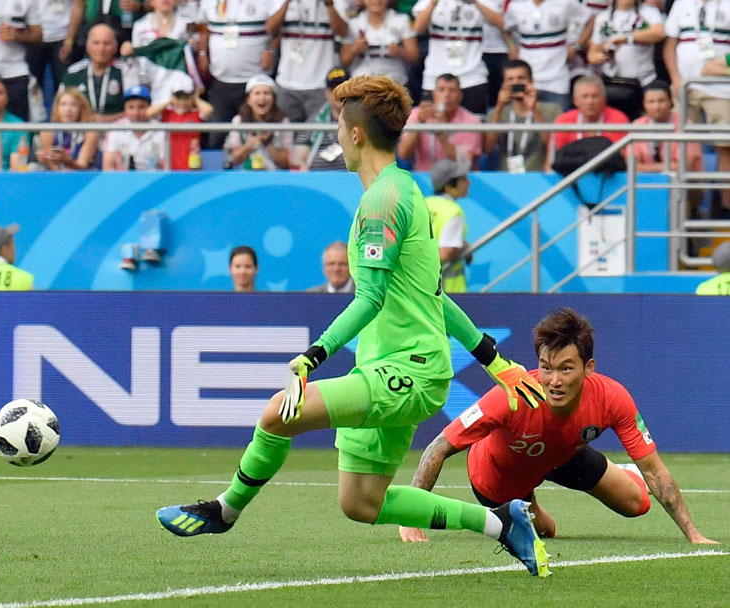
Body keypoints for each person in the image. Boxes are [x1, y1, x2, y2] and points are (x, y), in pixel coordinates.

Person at [156, 75, 551, 579]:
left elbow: (369, 298)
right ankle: (503, 524)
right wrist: (494, 359)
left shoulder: (382, 202)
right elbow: (433, 293)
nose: (337, 137)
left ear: (357, 135)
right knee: (361, 503)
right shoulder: (404, 188)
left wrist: (311, 356)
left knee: (279, 413)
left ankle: (223, 510)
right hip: (397, 365)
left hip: (407, 369)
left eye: (340, 127)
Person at [398, 308, 717, 545]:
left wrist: (694, 535)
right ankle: (529, 506)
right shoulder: (512, 396)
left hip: (561, 454)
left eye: (566, 369)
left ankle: (622, 474)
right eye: (546, 368)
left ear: (588, 368)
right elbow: (438, 447)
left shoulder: (613, 398)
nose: (554, 381)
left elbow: (655, 470)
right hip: (498, 476)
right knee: (546, 532)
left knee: (638, 504)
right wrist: (411, 518)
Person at [665, 0, 730, 220]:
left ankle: (725, 210)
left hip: (721, 88)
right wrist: (675, 78)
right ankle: (688, 206)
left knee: (726, 148)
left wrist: (724, 65)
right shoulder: (682, 3)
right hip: (686, 86)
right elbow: (669, 45)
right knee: (682, 147)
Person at [195, 0, 276, 148]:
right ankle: (214, 171)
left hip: (255, 83)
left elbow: (279, 28)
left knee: (255, 137)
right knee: (216, 137)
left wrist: (271, 50)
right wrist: (202, 52)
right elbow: (203, 27)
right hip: (221, 81)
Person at [412, 0, 503, 116]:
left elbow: (500, 22)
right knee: (433, 125)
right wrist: (433, 3)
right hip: (435, 77)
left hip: (472, 76)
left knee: (473, 127)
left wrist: (475, 2)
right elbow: (417, 29)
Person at [266, 0, 349, 123]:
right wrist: (286, 3)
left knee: (318, 134)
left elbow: (343, 32)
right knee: (287, 135)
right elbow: (270, 28)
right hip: (287, 82)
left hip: (320, 84)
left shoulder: (337, 2)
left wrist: (330, 5)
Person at [504, 0, 593, 112]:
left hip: (557, 81)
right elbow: (505, 27)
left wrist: (577, 46)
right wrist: (511, 46)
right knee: (528, 124)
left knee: (559, 125)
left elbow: (591, 18)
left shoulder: (566, 3)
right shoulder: (516, 5)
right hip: (528, 82)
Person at [586, 0, 664, 120]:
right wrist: (602, 55)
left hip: (643, 82)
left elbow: (659, 33)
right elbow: (592, 55)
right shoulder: (603, 17)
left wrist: (628, 38)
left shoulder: (649, 12)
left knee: (641, 124)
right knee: (614, 124)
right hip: (613, 83)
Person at [485, 59, 561, 173]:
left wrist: (534, 110)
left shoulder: (552, 110)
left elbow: (553, 146)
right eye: (510, 79)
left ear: (531, 81)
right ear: (504, 84)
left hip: (539, 176)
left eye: (521, 78)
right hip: (505, 177)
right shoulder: (497, 113)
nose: (516, 83)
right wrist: (499, 107)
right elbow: (488, 147)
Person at [397, 73, 482, 171]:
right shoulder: (418, 114)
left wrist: (441, 134)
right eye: (441, 90)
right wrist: (420, 123)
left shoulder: (471, 121)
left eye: (452, 90)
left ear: (460, 95)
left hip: (457, 181)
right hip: (424, 179)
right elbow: (403, 154)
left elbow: (466, 161)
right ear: (434, 94)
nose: (447, 95)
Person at [548, 75, 629, 164]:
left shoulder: (618, 120)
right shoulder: (563, 121)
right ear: (575, 100)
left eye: (594, 96)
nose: (590, 102)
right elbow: (553, 159)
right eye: (584, 96)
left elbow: (621, 158)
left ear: (604, 99)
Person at [339, 0, 419, 86]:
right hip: (362, 82)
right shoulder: (354, 23)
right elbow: (344, 61)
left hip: (394, 81)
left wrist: (400, 52)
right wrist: (355, 49)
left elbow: (414, 58)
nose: (376, 1)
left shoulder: (401, 20)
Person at [630, 80, 701, 174]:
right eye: (651, 102)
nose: (657, 107)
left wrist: (648, 168)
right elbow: (633, 165)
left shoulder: (685, 124)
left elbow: (686, 166)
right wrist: (668, 166)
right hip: (645, 183)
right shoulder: (638, 125)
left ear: (671, 102)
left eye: (661, 101)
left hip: (681, 184)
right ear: (644, 105)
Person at [223, 74, 292, 171]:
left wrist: (269, 144)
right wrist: (249, 145)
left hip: (275, 176)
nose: (262, 98)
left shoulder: (283, 122)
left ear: (273, 99)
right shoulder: (238, 121)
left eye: (266, 93)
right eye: (257, 93)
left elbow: (288, 162)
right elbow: (232, 160)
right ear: (248, 99)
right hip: (247, 176)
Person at [62, 23, 130, 120]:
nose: (101, 49)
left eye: (106, 43)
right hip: (81, 129)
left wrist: (108, 119)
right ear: (88, 46)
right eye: (96, 43)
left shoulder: (125, 71)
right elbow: (59, 109)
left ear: (115, 47)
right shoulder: (74, 73)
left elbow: (137, 110)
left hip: (118, 130)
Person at [292, 67, 348, 172]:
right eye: (334, 90)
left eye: (343, 89)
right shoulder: (315, 121)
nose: (339, 95)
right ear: (327, 93)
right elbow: (297, 160)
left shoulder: (361, 120)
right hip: (316, 181)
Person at [148, 80, 213, 170]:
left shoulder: (196, 114)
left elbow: (209, 110)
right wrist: (169, 101)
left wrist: (196, 99)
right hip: (171, 161)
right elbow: (149, 113)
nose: (182, 103)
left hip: (192, 162)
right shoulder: (168, 114)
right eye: (179, 98)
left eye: (186, 98)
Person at [426, 159, 469, 293]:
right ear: (448, 186)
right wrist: (457, 247)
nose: (468, 183)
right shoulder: (452, 212)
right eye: (463, 179)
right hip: (447, 289)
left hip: (423, 286)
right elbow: (447, 252)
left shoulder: (425, 203)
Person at [102, 83, 167, 170]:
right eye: (131, 107)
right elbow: (109, 164)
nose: (136, 113)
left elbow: (166, 164)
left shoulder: (161, 130)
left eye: (141, 107)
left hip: (153, 178)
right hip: (123, 179)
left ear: (150, 108)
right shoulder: (115, 129)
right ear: (124, 108)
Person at [37, 86, 101, 170]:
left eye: (74, 105)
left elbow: (82, 166)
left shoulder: (91, 132)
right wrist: (45, 159)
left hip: (86, 179)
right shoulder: (47, 132)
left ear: (81, 109)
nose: (68, 109)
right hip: (57, 179)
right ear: (57, 108)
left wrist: (67, 160)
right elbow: (54, 169)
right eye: (63, 104)